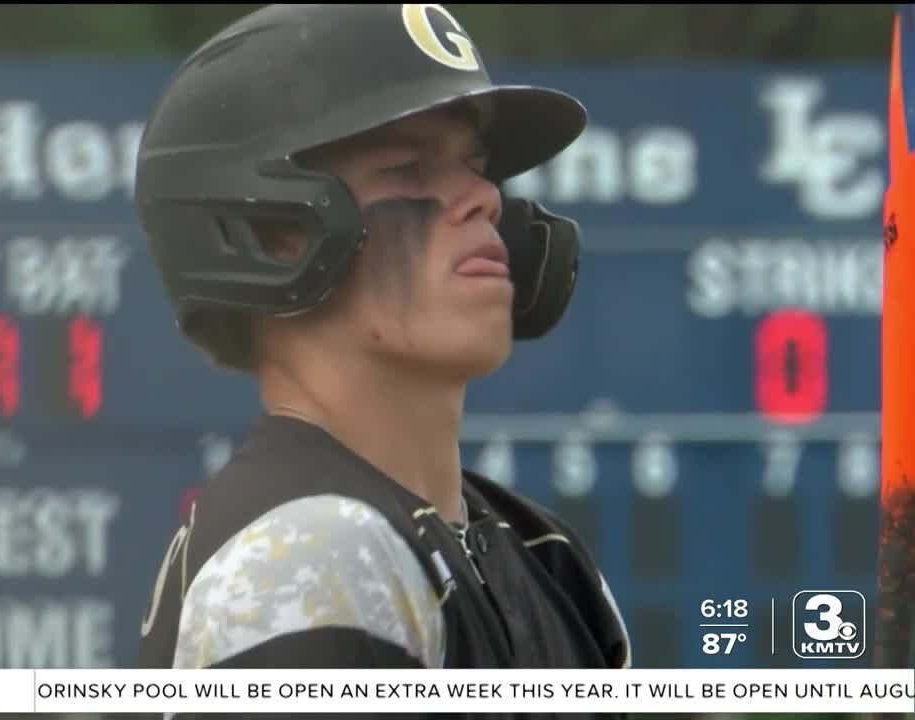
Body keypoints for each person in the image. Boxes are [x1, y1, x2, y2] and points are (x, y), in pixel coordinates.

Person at [134, 2, 632, 703]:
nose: (484, 198)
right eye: (407, 169)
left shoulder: (542, 553)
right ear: (270, 231)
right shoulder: (308, 552)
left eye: (476, 166)